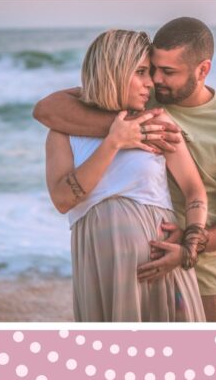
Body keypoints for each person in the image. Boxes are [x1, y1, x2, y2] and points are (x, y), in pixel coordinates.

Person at [35, 17, 216, 322]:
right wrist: (123, 134)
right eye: (150, 69)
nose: (155, 80)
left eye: (168, 72)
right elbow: (47, 109)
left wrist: (190, 245)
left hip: (203, 273)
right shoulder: (142, 101)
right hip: (110, 267)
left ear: (202, 70)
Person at [44, 29, 207, 322]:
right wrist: (114, 141)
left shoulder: (157, 122)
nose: (151, 83)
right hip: (100, 267)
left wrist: (188, 245)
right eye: (142, 72)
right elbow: (62, 200)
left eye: (152, 72)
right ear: (114, 71)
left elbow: (194, 189)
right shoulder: (61, 133)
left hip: (158, 263)